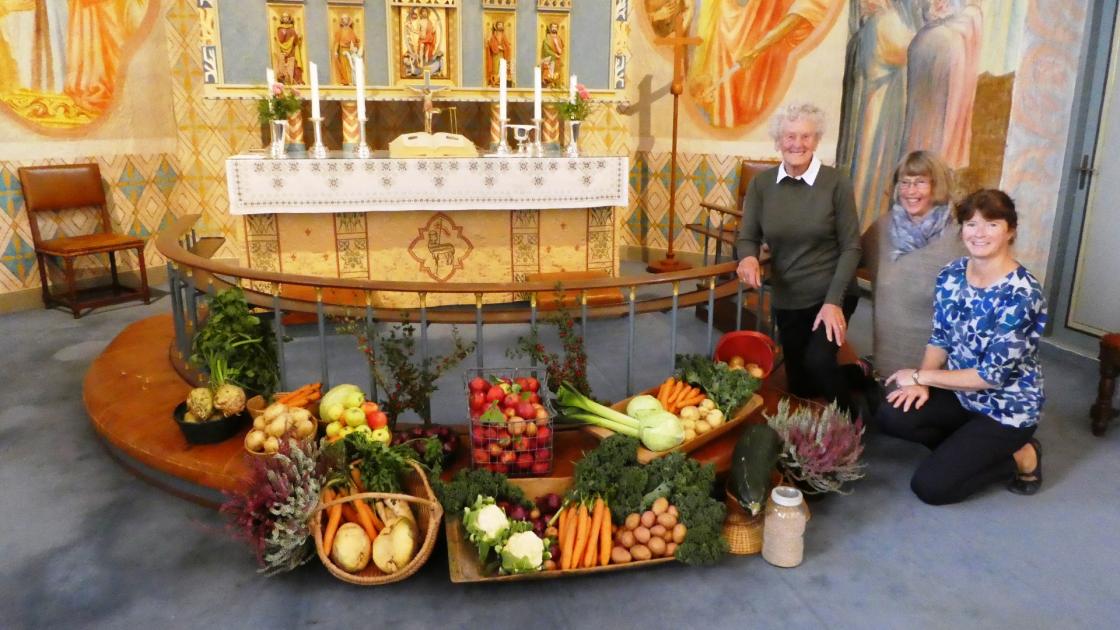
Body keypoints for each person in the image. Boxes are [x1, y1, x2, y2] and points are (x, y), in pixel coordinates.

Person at [878, 189, 1046, 505]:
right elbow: (940, 337)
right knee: (892, 414)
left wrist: (920, 377)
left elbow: (989, 376)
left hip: (1004, 411)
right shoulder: (952, 274)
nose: (979, 233)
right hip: (961, 394)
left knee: (931, 487)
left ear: (1010, 231)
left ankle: (1022, 457)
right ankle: (964, 449)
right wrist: (922, 384)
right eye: (971, 224)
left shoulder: (1022, 294)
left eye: (991, 224)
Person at [736, 102, 865, 417]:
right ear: (778, 141)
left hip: (832, 292)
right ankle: (859, 373)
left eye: (806, 136)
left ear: (817, 140)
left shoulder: (836, 182)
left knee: (819, 361)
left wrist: (833, 301)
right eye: (790, 136)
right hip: (788, 297)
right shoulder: (762, 185)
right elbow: (747, 236)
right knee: (802, 385)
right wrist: (748, 259)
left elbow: (852, 247)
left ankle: (854, 422)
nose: (797, 144)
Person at [861, 151, 966, 380]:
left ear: (936, 186)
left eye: (920, 182)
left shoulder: (960, 237)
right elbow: (850, 257)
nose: (910, 191)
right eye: (905, 183)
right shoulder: (882, 229)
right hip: (889, 356)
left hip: (941, 364)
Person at [485, 20, 511, 88]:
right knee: (496, 68)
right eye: (499, 25)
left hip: (503, 55)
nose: (500, 27)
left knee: (502, 68)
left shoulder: (503, 36)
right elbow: (491, 44)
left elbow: (507, 45)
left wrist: (504, 48)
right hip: (495, 55)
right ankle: (494, 81)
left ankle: (500, 81)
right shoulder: (494, 35)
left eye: (501, 25)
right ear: (496, 27)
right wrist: (497, 47)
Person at [540, 22, 563, 88]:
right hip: (549, 60)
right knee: (548, 77)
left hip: (557, 61)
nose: (554, 29)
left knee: (556, 77)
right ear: (550, 28)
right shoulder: (546, 39)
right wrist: (555, 55)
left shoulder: (559, 39)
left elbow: (560, 51)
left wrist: (556, 43)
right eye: (553, 27)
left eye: (556, 27)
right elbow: (546, 51)